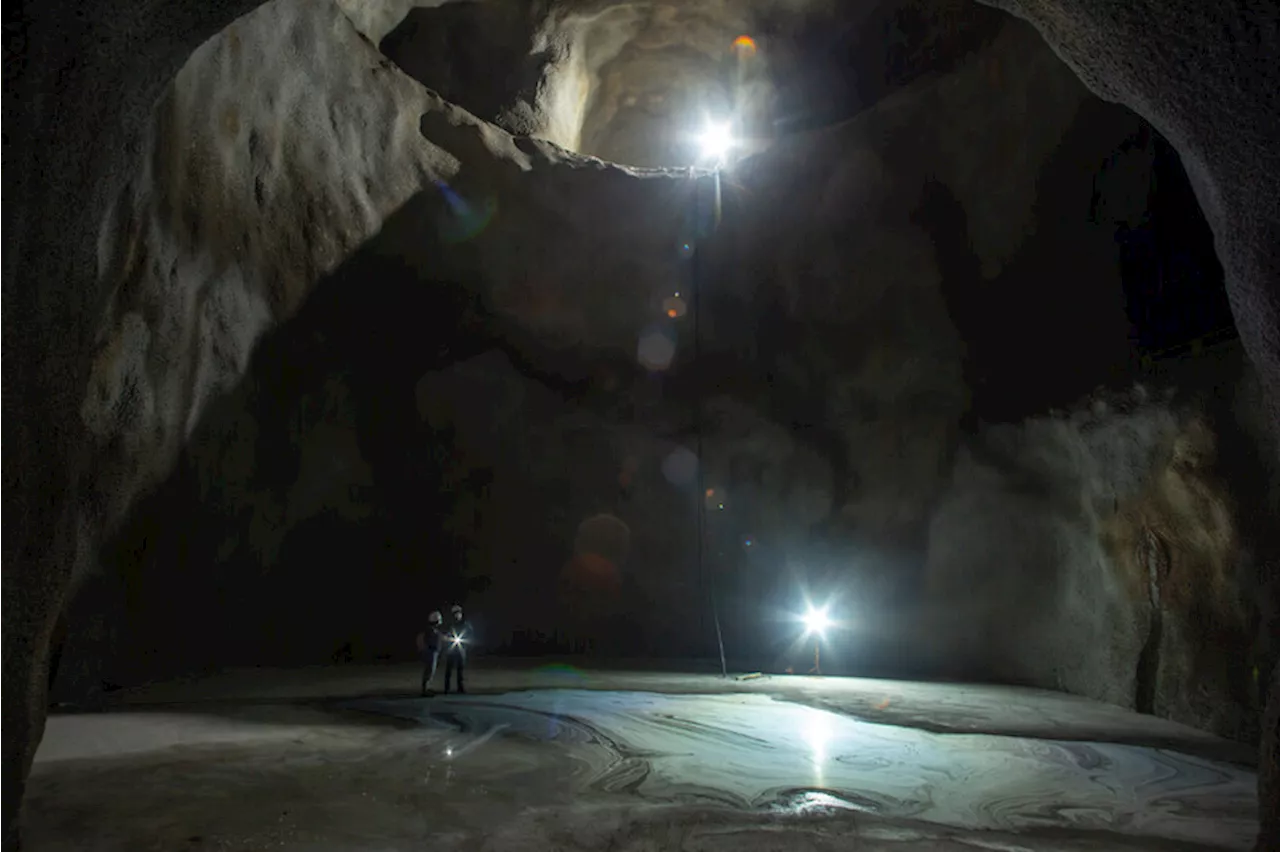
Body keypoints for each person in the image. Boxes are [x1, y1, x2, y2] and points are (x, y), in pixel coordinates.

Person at [444, 603, 472, 695]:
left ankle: (460, 687)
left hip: (461, 649)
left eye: (458, 612)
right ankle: (446, 688)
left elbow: (470, 633)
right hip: (451, 649)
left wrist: (466, 644)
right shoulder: (450, 624)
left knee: (460, 669)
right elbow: (445, 633)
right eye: (455, 613)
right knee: (449, 669)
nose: (457, 614)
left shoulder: (465, 624)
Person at [417, 610, 443, 696]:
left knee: (430, 671)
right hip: (431, 652)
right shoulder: (430, 631)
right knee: (429, 671)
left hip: (433, 652)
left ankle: (427, 688)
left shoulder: (434, 630)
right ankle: (425, 689)